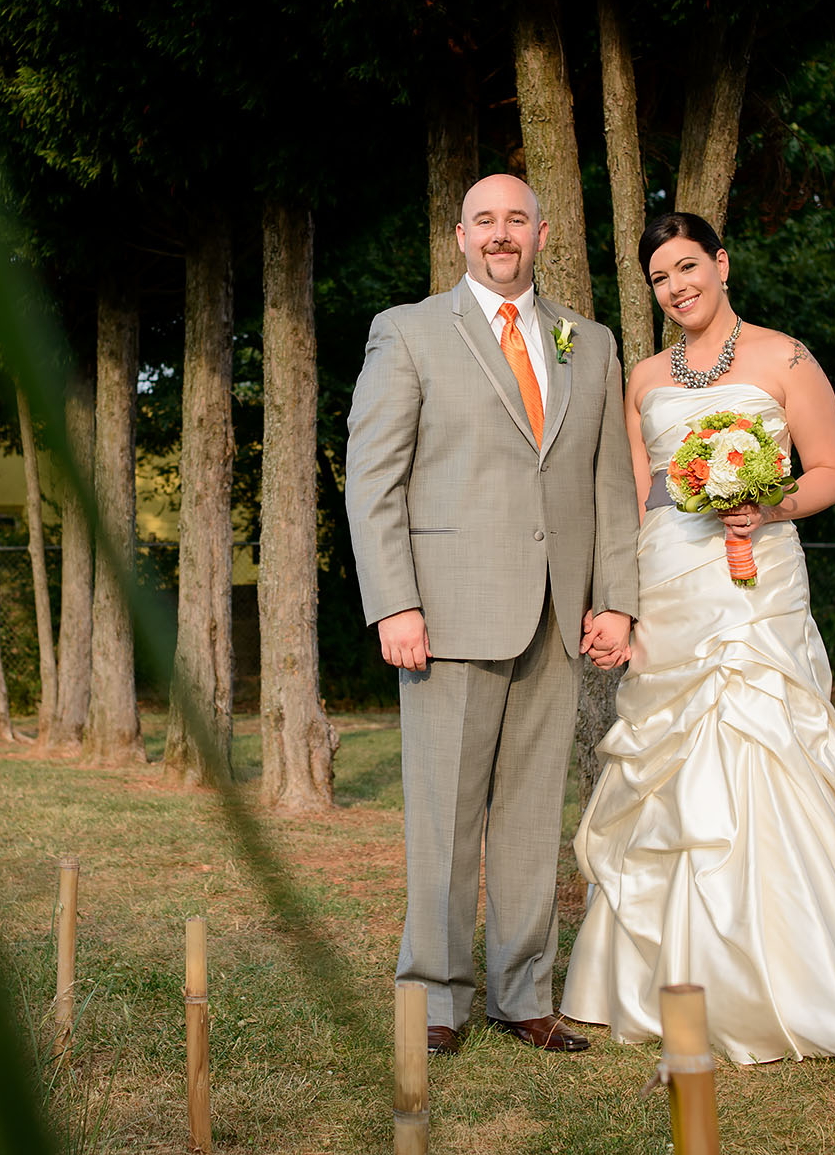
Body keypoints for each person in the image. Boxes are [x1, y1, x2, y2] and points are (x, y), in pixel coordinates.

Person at [559, 210, 835, 1063]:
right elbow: (637, 495)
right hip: (671, 585)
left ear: (722, 264)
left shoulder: (784, 356)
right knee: (674, 767)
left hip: (756, 582)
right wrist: (624, 602)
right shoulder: (643, 377)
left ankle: (801, 980)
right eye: (660, 277)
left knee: (766, 749)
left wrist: (773, 504)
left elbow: (832, 468)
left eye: (689, 266)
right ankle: (660, 983)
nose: (677, 285)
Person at [346, 173, 640, 1056]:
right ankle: (435, 999)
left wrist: (616, 599)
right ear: (460, 237)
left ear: (543, 234)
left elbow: (610, 484)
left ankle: (523, 993)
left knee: (528, 812)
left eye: (517, 218)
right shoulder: (407, 332)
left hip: (557, 615)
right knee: (444, 815)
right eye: (485, 220)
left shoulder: (587, 342)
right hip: (445, 615)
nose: (501, 233)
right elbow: (373, 479)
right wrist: (394, 601)